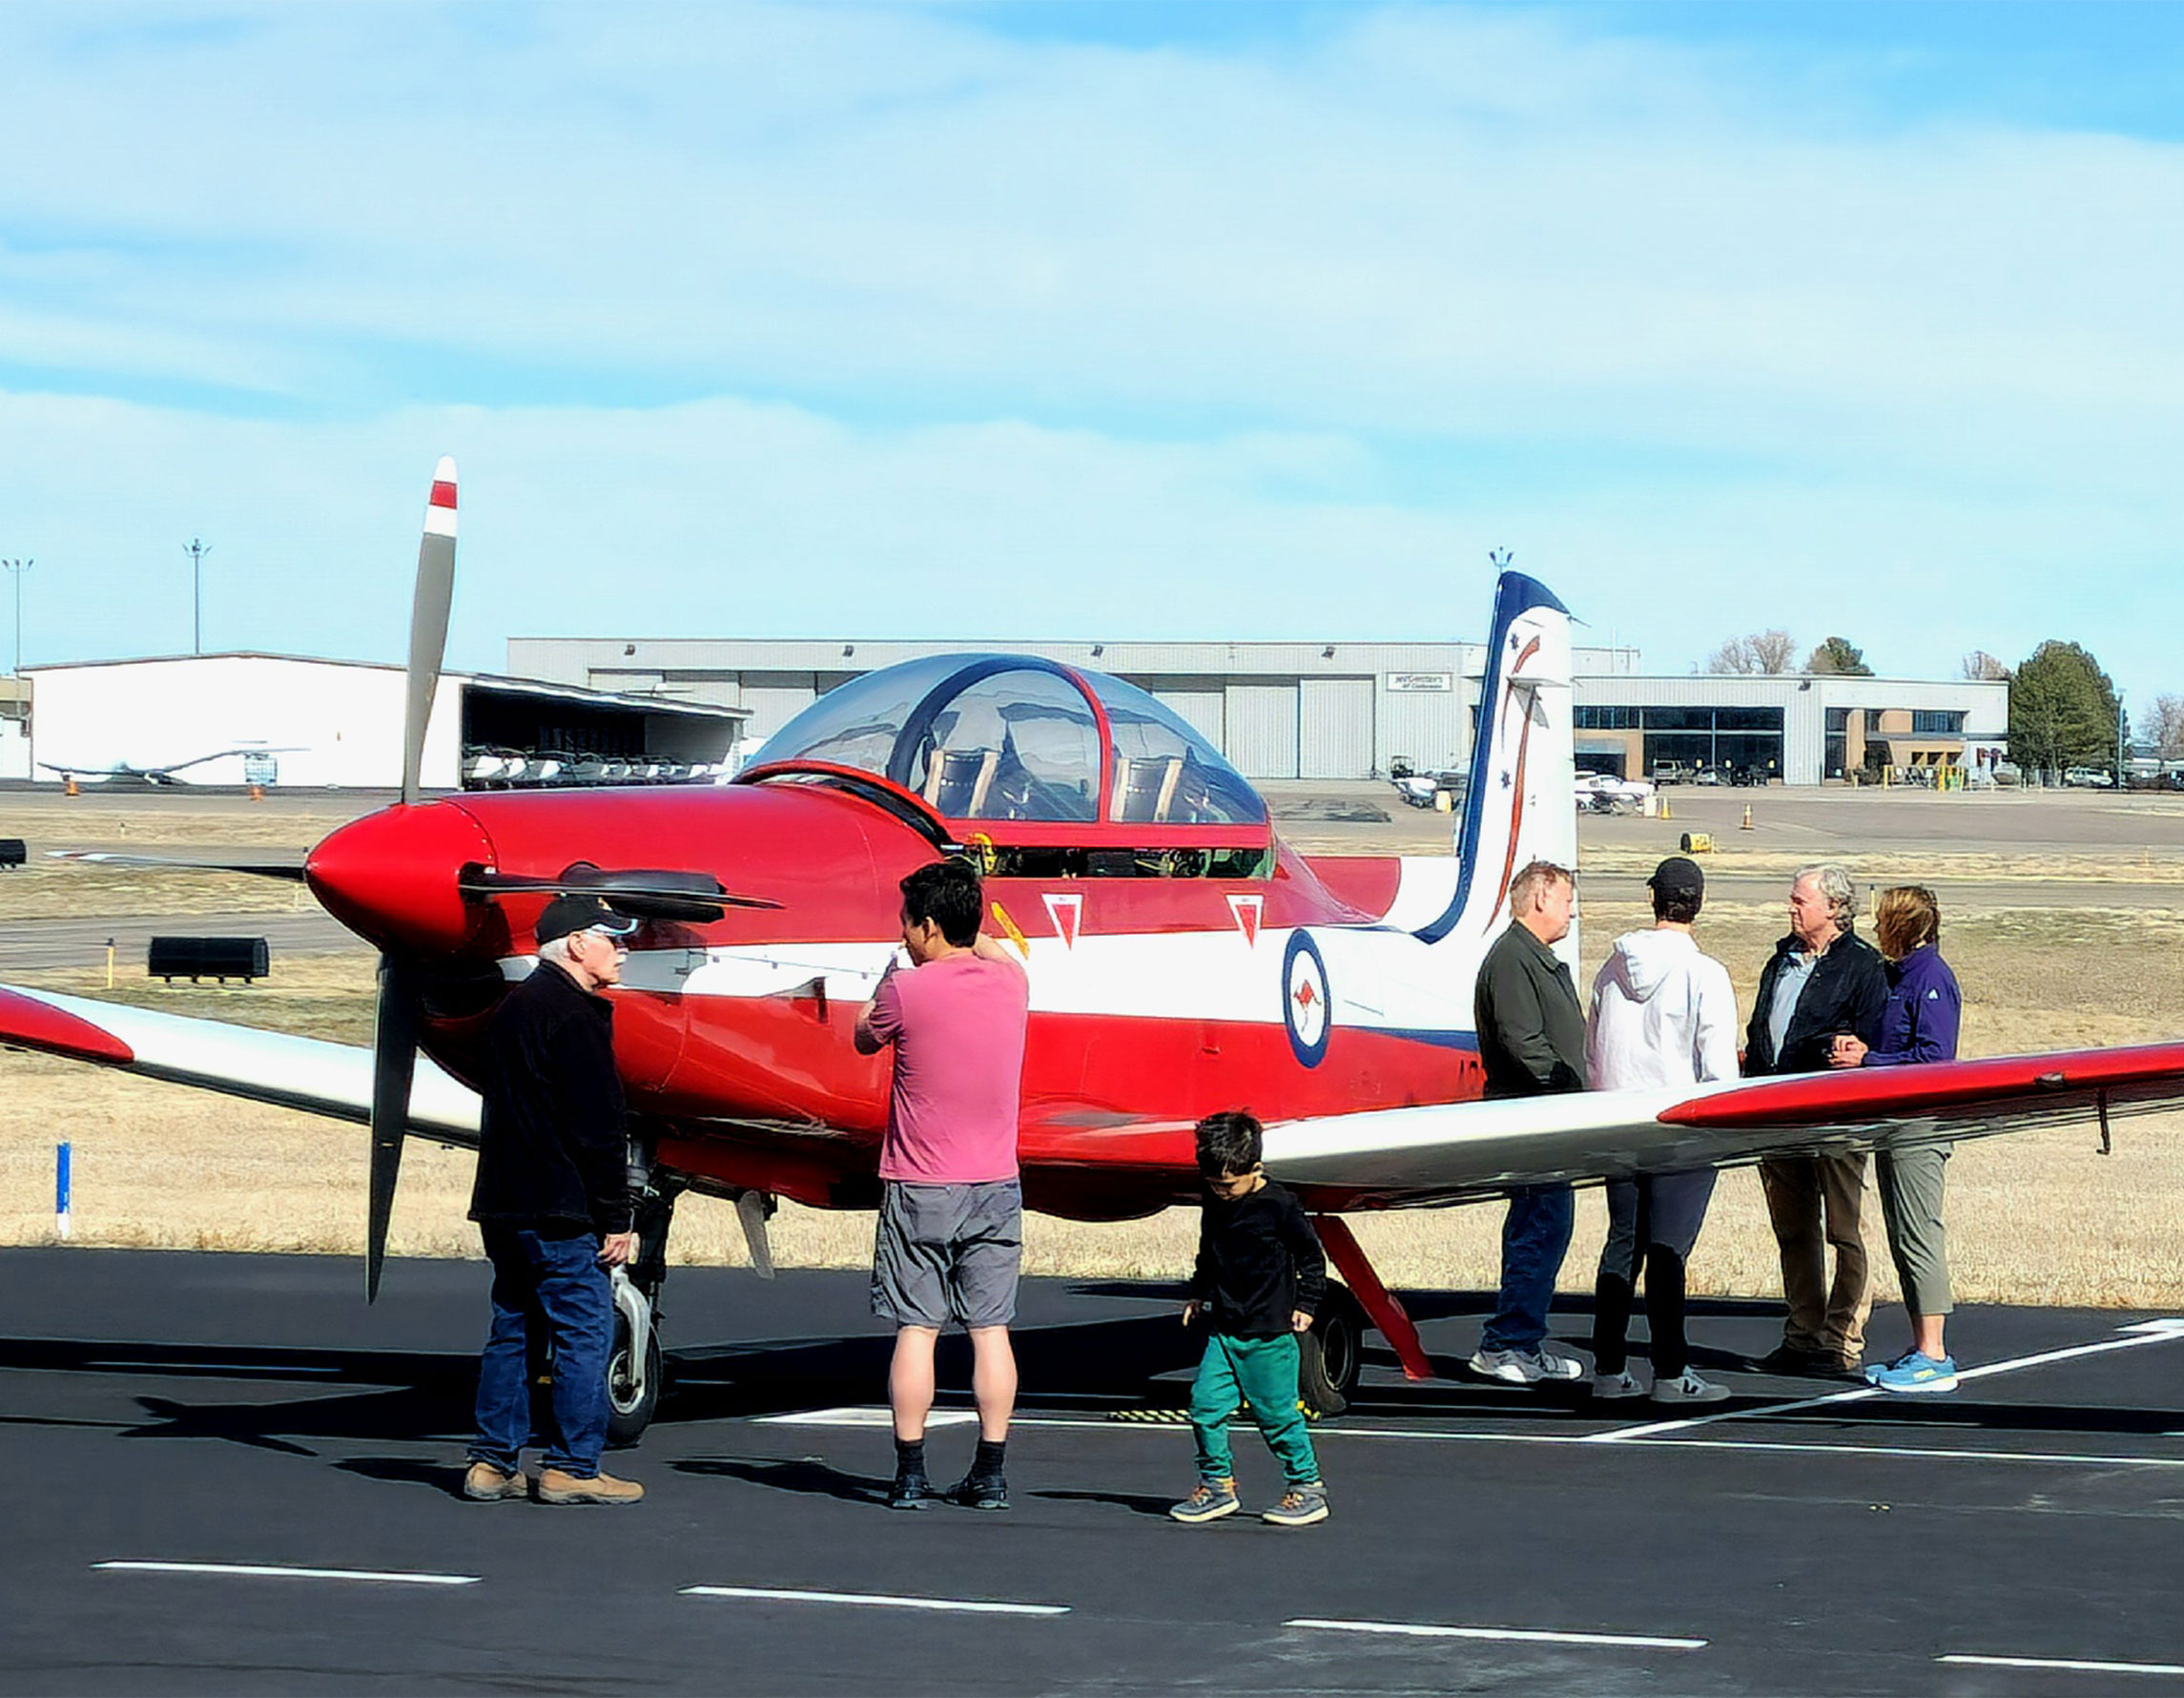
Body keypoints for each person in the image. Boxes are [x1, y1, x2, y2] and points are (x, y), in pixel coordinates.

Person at [855, 857, 1031, 1512]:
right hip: (994, 1181)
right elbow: (991, 947)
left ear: (927, 926)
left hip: (920, 1184)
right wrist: (965, 921)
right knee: (991, 1330)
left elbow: (862, 1037)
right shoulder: (1011, 984)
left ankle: (908, 1471)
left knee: (916, 1329)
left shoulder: (906, 990)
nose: (902, 936)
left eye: (908, 924)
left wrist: (892, 974)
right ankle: (990, 1470)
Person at [464, 893, 645, 1506]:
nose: (621, 948)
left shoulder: (515, 1008)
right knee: (584, 1334)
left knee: (513, 1329)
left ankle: (492, 1462)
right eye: (610, 938)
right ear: (576, 945)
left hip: (504, 1202)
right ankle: (572, 1464)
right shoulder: (575, 1015)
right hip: (561, 1207)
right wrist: (618, 1216)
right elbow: (596, 1125)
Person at [1586, 857, 1741, 1404]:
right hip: (1679, 1126)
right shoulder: (1705, 974)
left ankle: (1607, 1367)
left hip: (1620, 1123)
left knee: (1622, 1245)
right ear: (1697, 904)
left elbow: (1594, 1052)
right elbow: (1719, 1067)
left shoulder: (1611, 969)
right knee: (1668, 1252)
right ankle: (1671, 1373)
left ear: (1653, 899)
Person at [1746, 864, 1888, 1377]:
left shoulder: (1862, 967)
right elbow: (1762, 1024)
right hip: (1778, 1112)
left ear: (1833, 908)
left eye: (1800, 900)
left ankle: (1842, 1338)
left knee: (1845, 1230)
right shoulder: (1780, 960)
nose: (1792, 907)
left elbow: (1874, 1044)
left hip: (1835, 1115)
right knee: (1794, 1228)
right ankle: (1802, 1333)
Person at [1830, 885, 1964, 1394]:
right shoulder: (1898, 976)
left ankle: (1935, 1352)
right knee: (1901, 1232)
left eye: (1885, 921)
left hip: (1919, 1123)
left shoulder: (1931, 978)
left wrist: (1868, 1062)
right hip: (1892, 1120)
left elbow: (1934, 1059)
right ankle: (1921, 1345)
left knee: (1919, 1232)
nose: (1877, 930)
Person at [1169, 1111, 1329, 1528]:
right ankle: (1217, 1485)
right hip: (1225, 1331)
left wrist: (1307, 1305)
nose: (1222, 1192)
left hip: (1269, 1334)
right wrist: (1198, 1292)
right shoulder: (1214, 1201)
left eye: (1229, 1185)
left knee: (1276, 1415)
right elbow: (1210, 1250)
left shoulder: (1280, 1206)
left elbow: (1312, 1259)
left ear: (1255, 1169)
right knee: (1205, 1407)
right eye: (1214, 1185)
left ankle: (1307, 1487)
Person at [1469, 859, 1588, 1385]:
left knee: (1547, 1225)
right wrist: (1563, 1082)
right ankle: (1505, 1344)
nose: (1572, 910)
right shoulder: (1514, 960)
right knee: (1538, 1228)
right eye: (1565, 900)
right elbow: (1521, 1039)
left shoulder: (1535, 958)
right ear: (1539, 899)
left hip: (1550, 1116)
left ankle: (1524, 1340)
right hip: (1533, 1115)